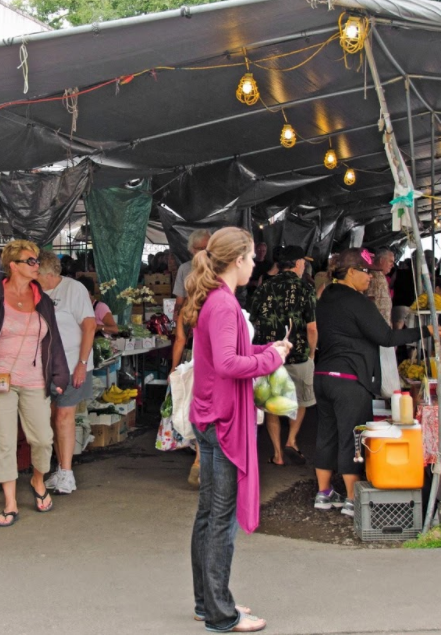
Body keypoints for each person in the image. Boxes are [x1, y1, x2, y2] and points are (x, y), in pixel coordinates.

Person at [184, 227, 289, 633]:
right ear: (236, 260)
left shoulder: (214, 300)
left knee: (210, 514)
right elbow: (229, 363)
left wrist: (266, 351)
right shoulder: (225, 305)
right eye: (250, 257)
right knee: (220, 519)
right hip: (223, 420)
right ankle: (221, 614)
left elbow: (226, 355)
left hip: (209, 414)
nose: (255, 264)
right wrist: (270, 362)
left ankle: (206, 602)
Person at [313, 249, 440, 516]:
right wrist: (426, 330)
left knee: (326, 435)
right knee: (352, 439)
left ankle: (323, 494)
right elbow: (386, 337)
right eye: (366, 272)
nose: (371, 278)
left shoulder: (325, 297)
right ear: (350, 272)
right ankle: (350, 499)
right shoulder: (358, 302)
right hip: (350, 380)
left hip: (323, 377)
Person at [0, 240, 69, 528]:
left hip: (35, 380)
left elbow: (54, 342)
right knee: (4, 443)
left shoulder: (42, 300)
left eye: (37, 261)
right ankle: (10, 502)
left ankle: (37, 480)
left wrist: (60, 376)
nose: (37, 265)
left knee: (43, 439)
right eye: (31, 261)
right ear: (13, 266)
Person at [248, 245, 317, 467]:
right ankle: (292, 440)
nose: (304, 266)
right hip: (298, 355)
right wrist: (312, 353)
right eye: (303, 263)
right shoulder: (306, 288)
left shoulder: (263, 288)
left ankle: (277, 453)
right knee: (302, 400)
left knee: (271, 404)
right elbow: (312, 328)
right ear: (297, 263)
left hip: (268, 356)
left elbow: (252, 321)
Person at [36, 251, 96, 495]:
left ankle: (68, 474)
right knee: (52, 418)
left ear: (48, 274)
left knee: (63, 416)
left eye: (36, 273)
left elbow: (90, 326)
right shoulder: (36, 293)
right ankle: (60, 469)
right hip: (46, 367)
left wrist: (82, 363)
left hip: (73, 364)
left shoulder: (74, 289)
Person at [171, 229, 211, 488]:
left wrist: (174, 368)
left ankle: (199, 458)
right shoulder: (222, 303)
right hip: (210, 362)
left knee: (196, 406)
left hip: (194, 360)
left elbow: (180, 339)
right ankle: (202, 459)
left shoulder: (188, 309)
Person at [367, 248, 395, 323]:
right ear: (381, 260)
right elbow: (370, 301)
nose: (392, 265)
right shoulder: (373, 276)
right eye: (390, 261)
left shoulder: (380, 275)